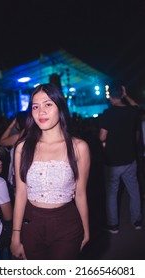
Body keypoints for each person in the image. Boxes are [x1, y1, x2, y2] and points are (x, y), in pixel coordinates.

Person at [10, 83, 90, 260]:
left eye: (48, 104)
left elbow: (81, 193)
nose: (41, 112)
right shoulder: (23, 147)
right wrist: (15, 235)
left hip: (67, 223)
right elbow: (21, 193)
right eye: (35, 106)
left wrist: (86, 229)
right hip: (32, 224)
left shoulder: (79, 147)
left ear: (60, 107)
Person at [99, 85, 142, 234]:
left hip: (113, 161)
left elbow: (102, 136)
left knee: (112, 193)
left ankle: (113, 225)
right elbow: (137, 106)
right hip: (130, 159)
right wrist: (126, 94)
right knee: (134, 190)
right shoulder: (131, 111)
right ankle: (137, 221)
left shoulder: (108, 113)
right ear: (122, 95)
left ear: (111, 97)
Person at [0, 111, 27, 189]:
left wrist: (11, 125)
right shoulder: (29, 136)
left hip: (18, 175)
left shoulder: (18, 138)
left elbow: (2, 141)